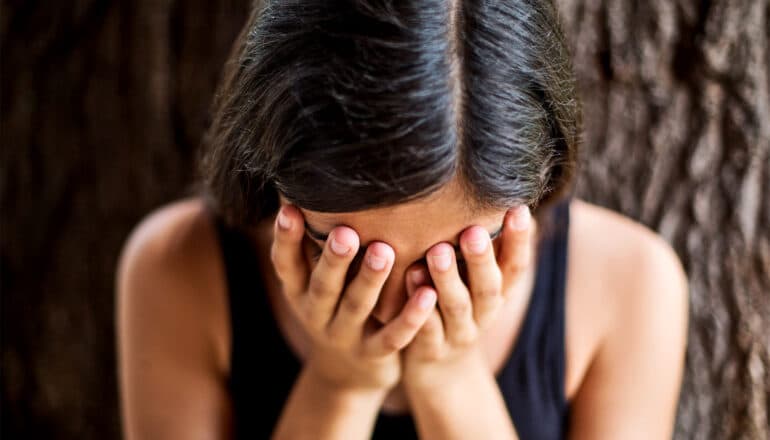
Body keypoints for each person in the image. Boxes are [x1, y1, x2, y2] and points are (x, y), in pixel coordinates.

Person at [116, 0, 689, 438]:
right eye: (336, 247)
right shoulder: (176, 269)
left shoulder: (628, 285)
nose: (396, 311)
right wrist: (340, 384)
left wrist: (449, 379)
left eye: (462, 255)